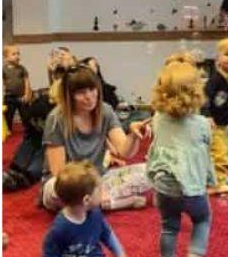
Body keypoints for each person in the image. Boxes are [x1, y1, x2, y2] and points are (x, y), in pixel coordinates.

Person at [2, 161, 144, 257]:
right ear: (86, 200)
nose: (103, 192)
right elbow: (50, 256)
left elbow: (108, 235)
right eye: (99, 190)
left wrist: (120, 256)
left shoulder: (95, 214)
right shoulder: (60, 227)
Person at [40, 65, 151, 211]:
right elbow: (59, 173)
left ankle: (93, 203)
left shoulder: (105, 111)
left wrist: (133, 135)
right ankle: (113, 203)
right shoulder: (56, 119)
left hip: (98, 179)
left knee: (151, 172)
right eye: (81, 92)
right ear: (69, 96)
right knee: (55, 191)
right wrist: (90, 189)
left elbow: (125, 152)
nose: (89, 96)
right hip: (67, 183)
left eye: (92, 89)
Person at [146, 60, 217, 257]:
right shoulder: (202, 123)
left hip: (164, 187)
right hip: (191, 188)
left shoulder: (158, 119)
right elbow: (206, 149)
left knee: (169, 226)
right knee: (202, 218)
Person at [203, 37, 228, 194]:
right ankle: (216, 183)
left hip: (224, 123)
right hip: (214, 122)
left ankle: (218, 176)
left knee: (223, 150)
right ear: (218, 60)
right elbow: (205, 98)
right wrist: (207, 115)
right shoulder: (215, 80)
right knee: (219, 152)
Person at [2, 45, 31, 130]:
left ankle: (28, 130)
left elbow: (26, 82)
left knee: (25, 115)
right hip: (9, 96)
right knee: (8, 115)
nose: (17, 56)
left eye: (18, 53)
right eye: (14, 54)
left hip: (21, 97)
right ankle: (8, 130)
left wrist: (27, 94)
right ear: (6, 57)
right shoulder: (3, 69)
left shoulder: (22, 69)